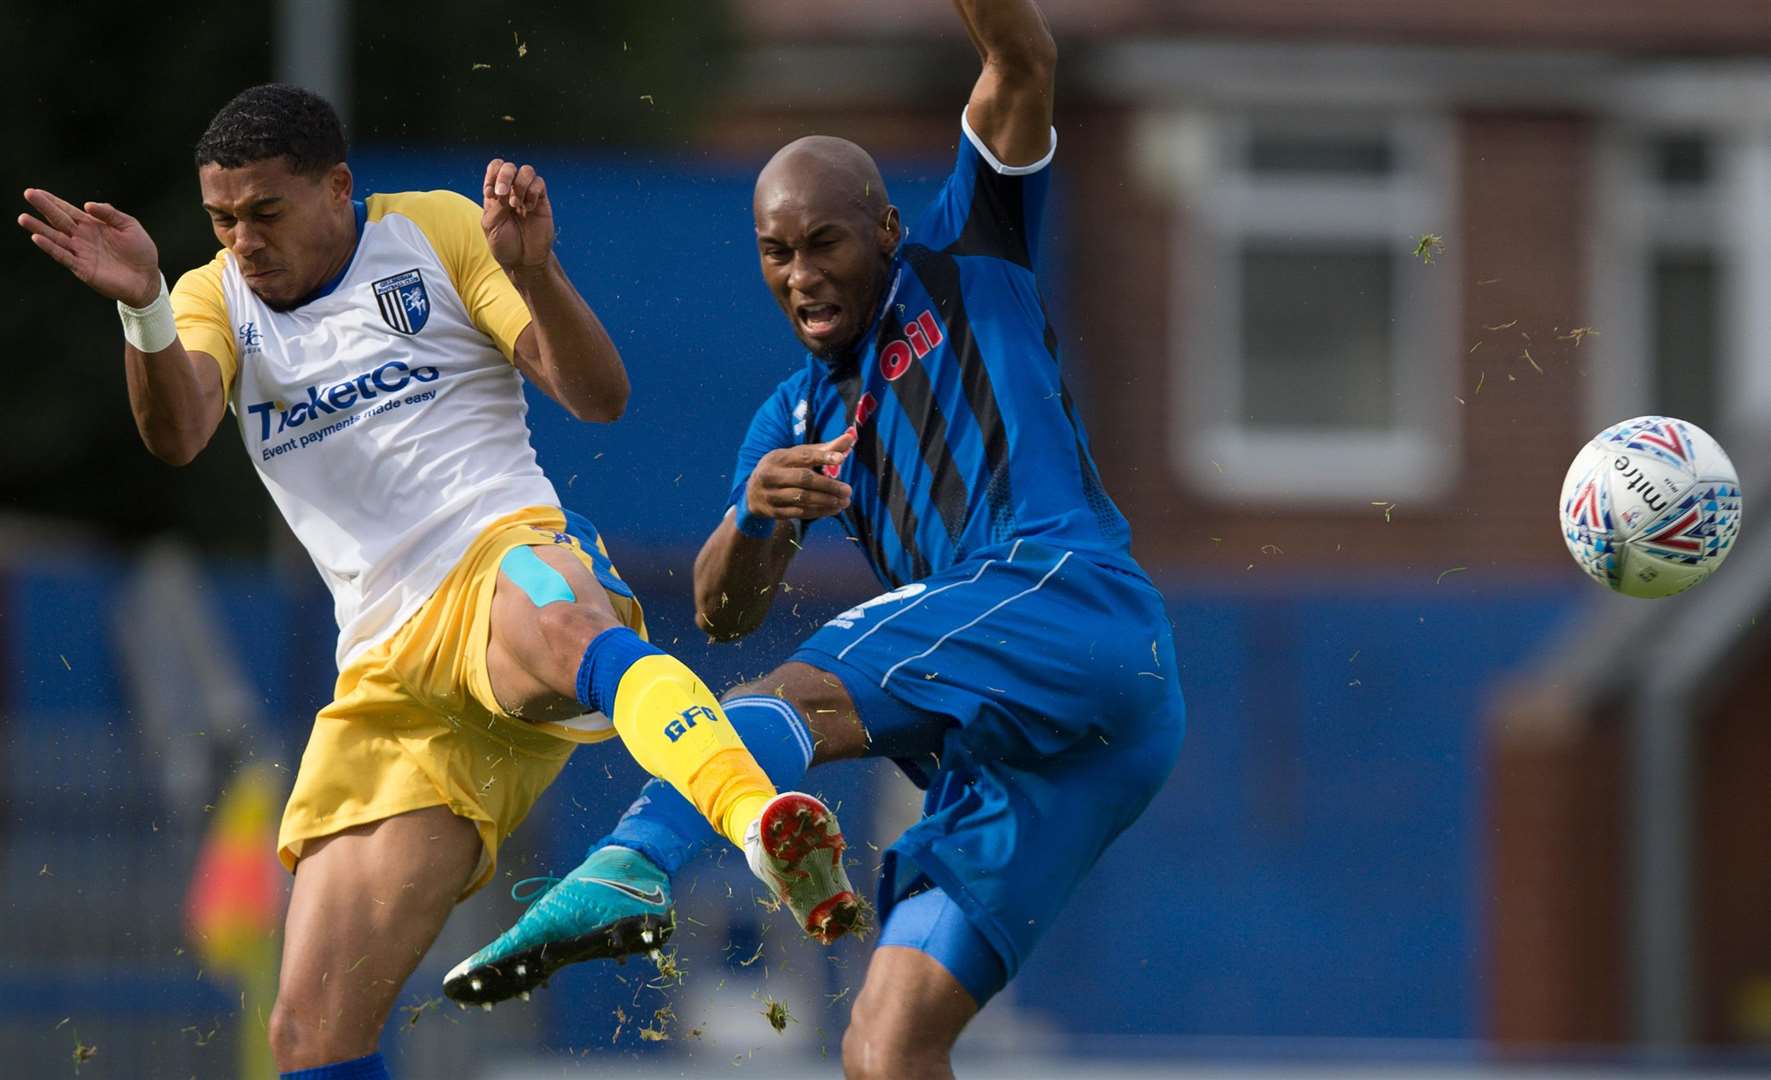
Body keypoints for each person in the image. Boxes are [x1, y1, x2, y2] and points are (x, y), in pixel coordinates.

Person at [16, 83, 853, 1080]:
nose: (244, 240)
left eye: (265, 213)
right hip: (387, 679)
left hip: (499, 552)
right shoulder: (208, 296)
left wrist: (536, 275)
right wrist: (147, 309)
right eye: (223, 218)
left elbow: (598, 397)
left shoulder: (436, 230)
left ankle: (750, 820)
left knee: (563, 622)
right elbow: (177, 433)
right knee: (311, 1036)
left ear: (337, 188)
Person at [457, 1, 1187, 1076]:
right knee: (883, 1051)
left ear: (886, 231)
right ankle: (712, 847)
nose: (799, 274)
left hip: (1065, 603)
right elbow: (717, 608)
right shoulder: (790, 423)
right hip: (1037, 757)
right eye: (775, 252)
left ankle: (632, 861)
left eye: (823, 242)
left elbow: (1022, 58)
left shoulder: (966, 258)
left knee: (782, 703)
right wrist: (758, 515)